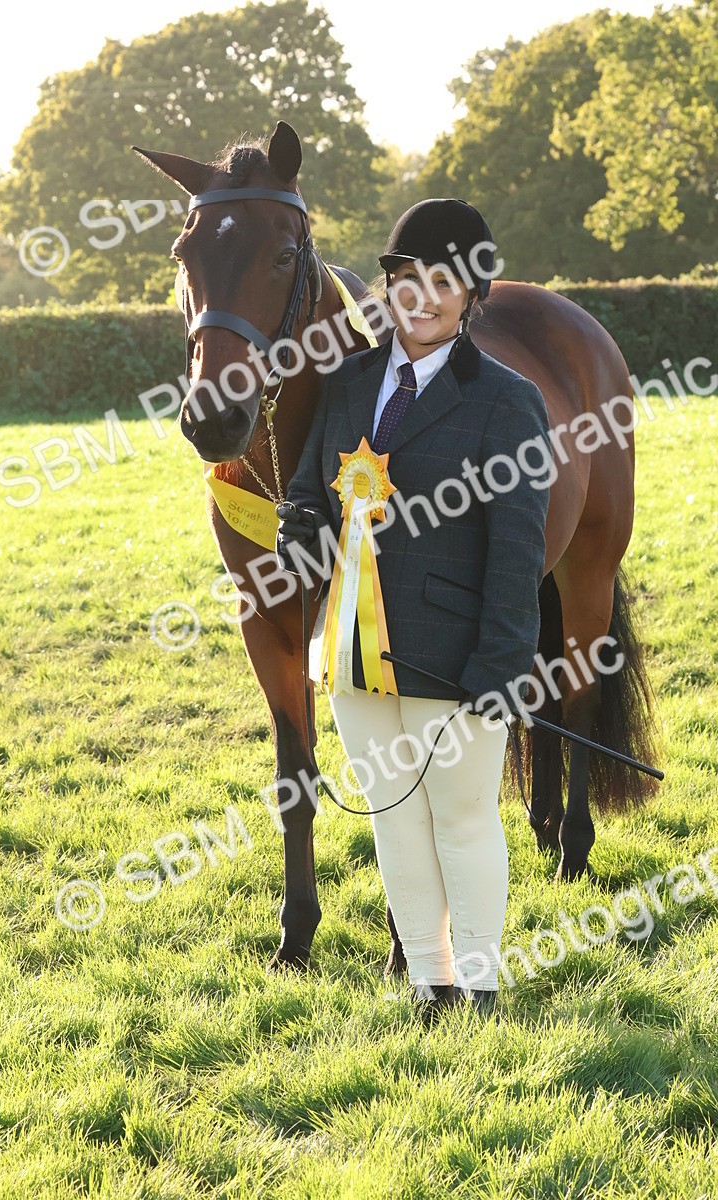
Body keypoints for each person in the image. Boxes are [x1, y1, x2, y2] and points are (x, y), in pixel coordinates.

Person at [275, 198, 551, 1025]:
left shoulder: (507, 401)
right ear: (388, 286)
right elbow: (312, 492)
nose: (422, 298)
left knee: (461, 820)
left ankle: (482, 987)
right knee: (395, 820)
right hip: (356, 659)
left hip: (455, 659)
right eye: (406, 280)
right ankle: (431, 986)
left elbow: (517, 554)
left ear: (471, 297)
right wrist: (301, 525)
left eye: (444, 283)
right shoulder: (350, 383)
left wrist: (500, 669)